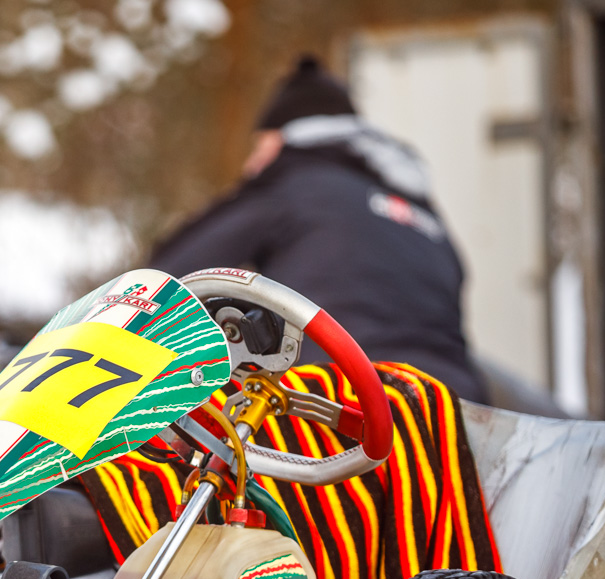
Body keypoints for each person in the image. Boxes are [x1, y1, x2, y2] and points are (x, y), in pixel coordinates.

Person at [150, 56, 480, 579]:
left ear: (278, 139)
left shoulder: (291, 185)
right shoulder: (418, 209)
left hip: (341, 429)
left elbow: (164, 277)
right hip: (451, 441)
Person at [151, 55, 486, 404]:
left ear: (285, 139)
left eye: (259, 147)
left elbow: (167, 274)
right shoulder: (428, 219)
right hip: (454, 409)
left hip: (337, 401)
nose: (251, 165)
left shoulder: (294, 183)